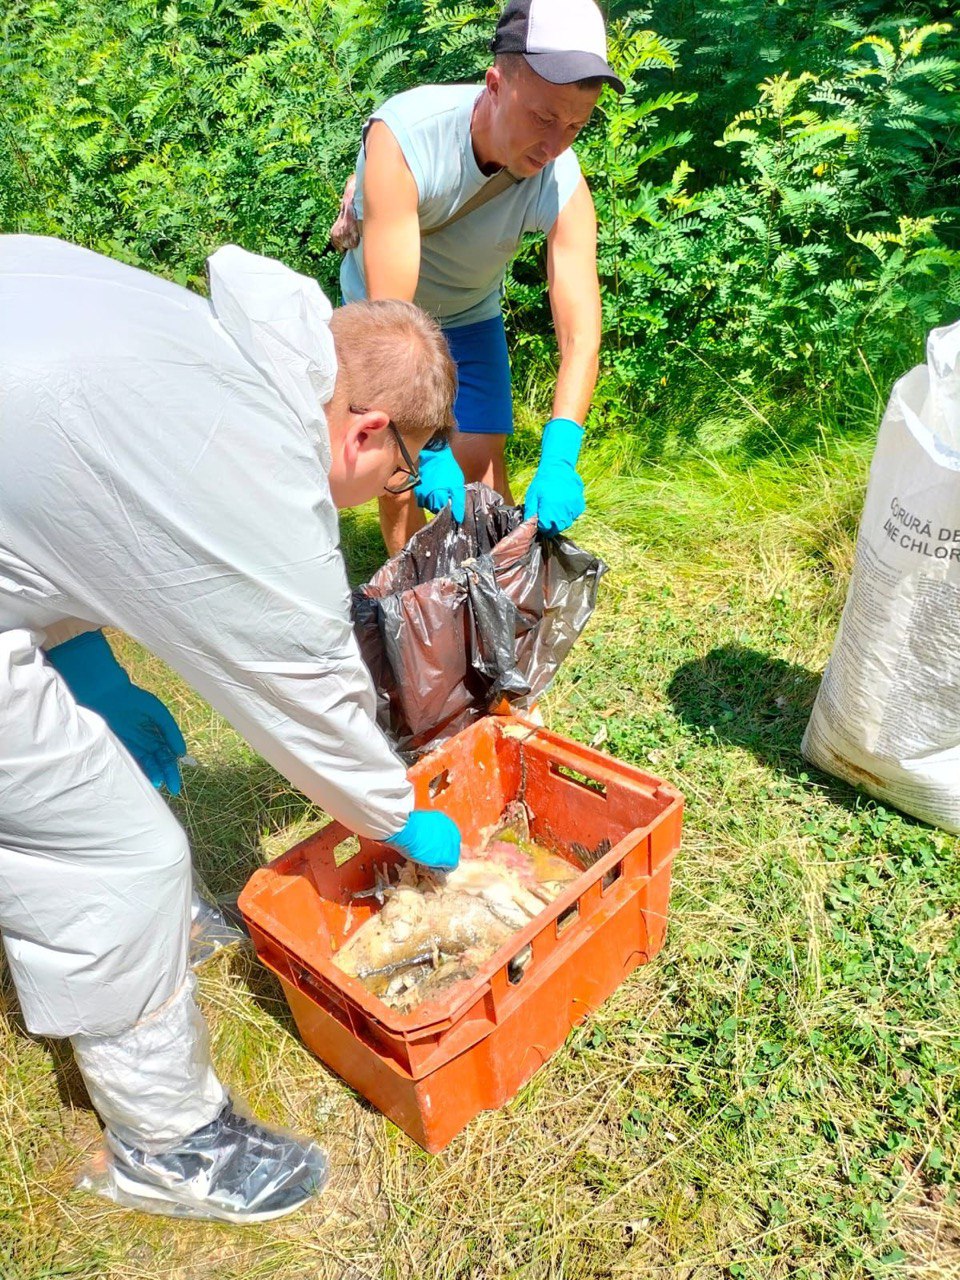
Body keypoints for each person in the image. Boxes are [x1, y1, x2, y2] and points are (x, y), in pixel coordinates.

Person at [0, 234, 462, 1223]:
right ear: (367, 431)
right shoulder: (253, 472)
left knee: (85, 762)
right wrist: (400, 814)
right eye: (393, 475)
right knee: (118, 857)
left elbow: (59, 483)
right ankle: (167, 1144)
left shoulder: (219, 349)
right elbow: (314, 704)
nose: (380, 495)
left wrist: (81, 663)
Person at [338, 0, 623, 555]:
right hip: (388, 318)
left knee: (486, 478)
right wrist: (428, 445)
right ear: (495, 84)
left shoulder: (562, 182)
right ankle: (412, 605)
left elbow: (581, 335)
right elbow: (394, 319)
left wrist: (561, 455)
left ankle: (482, 615)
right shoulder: (406, 138)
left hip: (470, 313)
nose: (555, 144)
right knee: (402, 473)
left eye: (575, 125)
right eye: (543, 117)